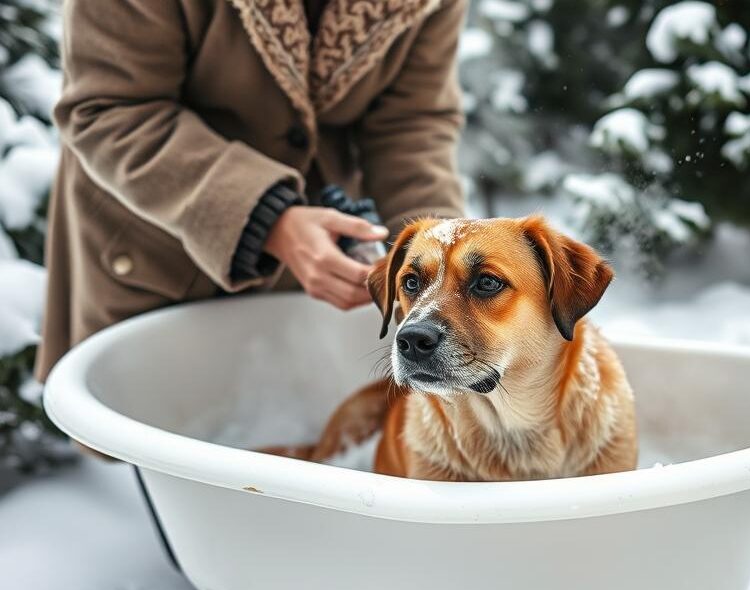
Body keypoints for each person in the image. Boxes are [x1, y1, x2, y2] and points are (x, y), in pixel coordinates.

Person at [35, 0, 467, 381]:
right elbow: (109, 108)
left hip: (307, 262)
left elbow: (410, 125)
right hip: (152, 236)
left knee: (276, 430)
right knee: (160, 426)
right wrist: (269, 218)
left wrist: (443, 256)